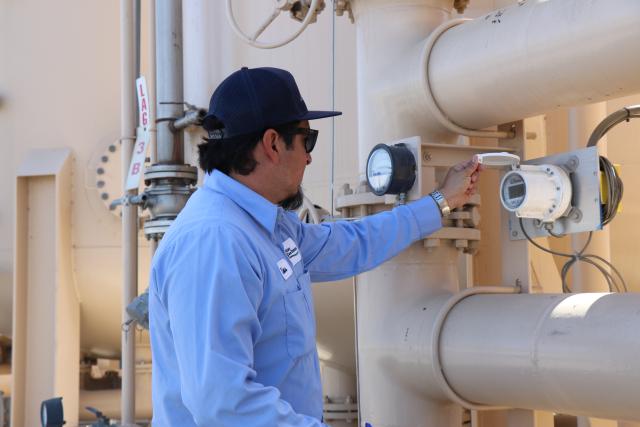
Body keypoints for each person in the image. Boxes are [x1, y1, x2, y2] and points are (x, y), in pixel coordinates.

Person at [149, 66, 481, 426]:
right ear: (273, 143)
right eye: (307, 140)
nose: (309, 157)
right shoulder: (214, 242)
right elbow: (223, 402)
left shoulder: (262, 226)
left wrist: (439, 201)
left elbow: (350, 244)